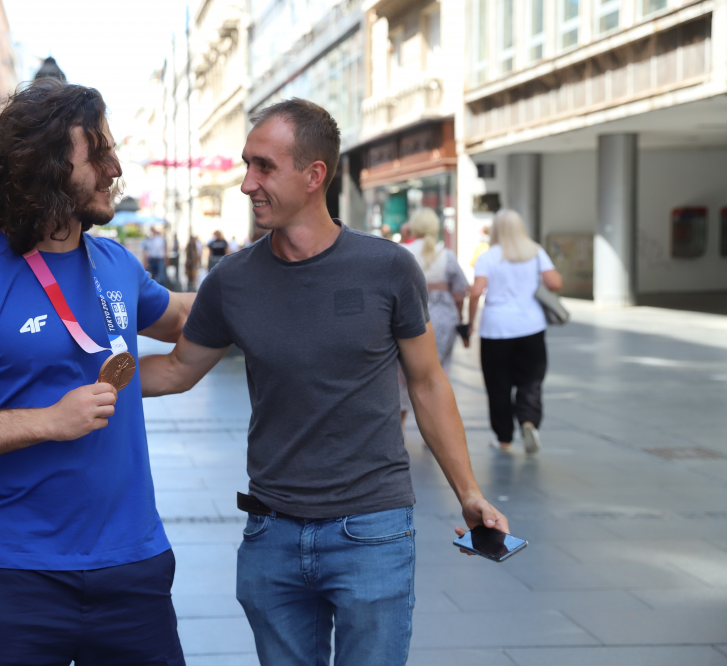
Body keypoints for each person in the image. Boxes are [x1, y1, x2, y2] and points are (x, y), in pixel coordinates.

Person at [139, 98, 506, 666]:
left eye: (264, 166)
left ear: (315, 176)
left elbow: (429, 383)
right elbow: (174, 369)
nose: (246, 184)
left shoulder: (387, 268)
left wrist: (470, 494)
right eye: (246, 164)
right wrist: (67, 374)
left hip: (373, 532)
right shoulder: (232, 280)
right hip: (271, 535)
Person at [0, 80, 195, 665]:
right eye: (98, 152)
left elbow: (180, 316)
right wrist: (49, 421)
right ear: (48, 164)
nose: (115, 167)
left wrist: (270, 277)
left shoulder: (116, 262)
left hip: (134, 563)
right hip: (18, 574)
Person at [468, 209, 562, 454]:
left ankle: (504, 439)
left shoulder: (488, 257)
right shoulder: (535, 252)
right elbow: (555, 283)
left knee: (498, 385)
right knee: (531, 380)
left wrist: (469, 323)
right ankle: (529, 422)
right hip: (531, 326)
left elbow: (476, 291)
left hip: (495, 329)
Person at [397, 209, 469, 432]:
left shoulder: (402, 252)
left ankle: (399, 429)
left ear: (413, 228)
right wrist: (461, 318)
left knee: (403, 375)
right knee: (438, 374)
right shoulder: (446, 255)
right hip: (444, 321)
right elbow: (461, 290)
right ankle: (435, 433)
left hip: (408, 321)